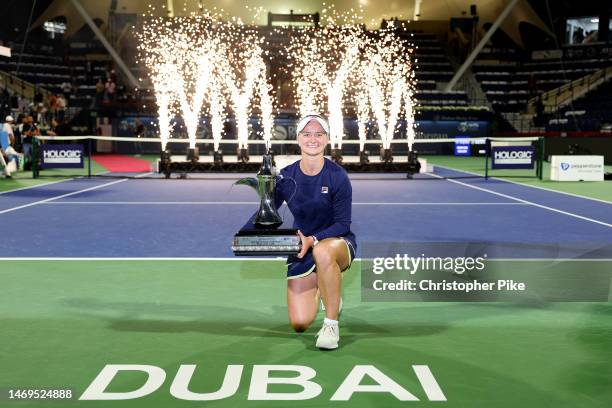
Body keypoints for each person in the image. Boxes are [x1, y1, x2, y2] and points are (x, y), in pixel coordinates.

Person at [242, 114, 356, 350]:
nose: (312, 138)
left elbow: (343, 224)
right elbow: (268, 214)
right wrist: (247, 233)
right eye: (307, 134)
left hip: (337, 242)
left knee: (324, 252)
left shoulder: (338, 176)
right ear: (298, 139)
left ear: (327, 139)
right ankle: (326, 286)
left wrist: (313, 239)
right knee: (300, 323)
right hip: (302, 247)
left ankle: (331, 324)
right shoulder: (286, 176)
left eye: (318, 134)